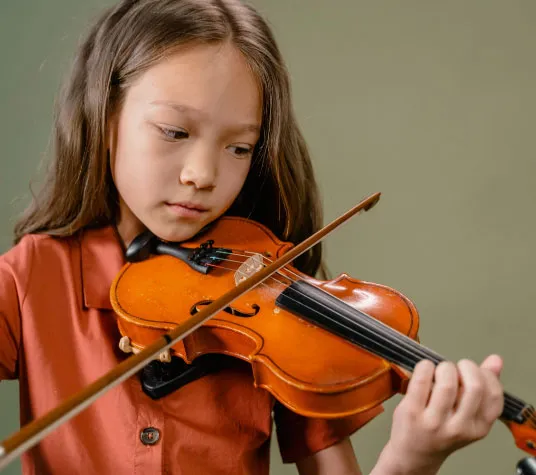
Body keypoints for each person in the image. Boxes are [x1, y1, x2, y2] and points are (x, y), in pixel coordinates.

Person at [0, 1, 504, 474]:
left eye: (239, 147)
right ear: (105, 116)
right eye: (175, 132)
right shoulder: (33, 276)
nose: (202, 174)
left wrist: (410, 459)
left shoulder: (278, 306)